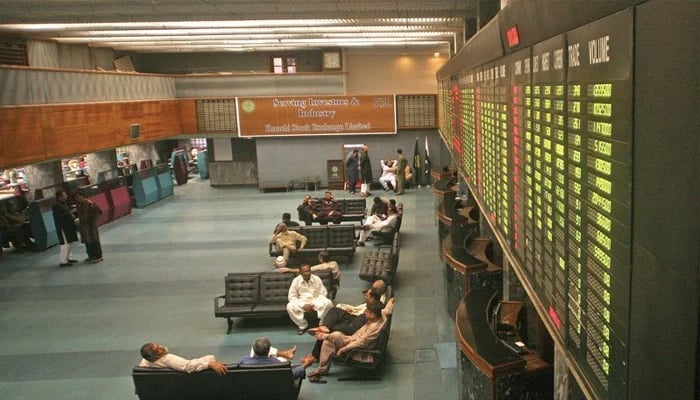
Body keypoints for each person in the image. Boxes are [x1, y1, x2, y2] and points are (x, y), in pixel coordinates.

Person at [306, 301, 390, 383]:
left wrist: (343, 349)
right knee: (327, 343)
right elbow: (388, 309)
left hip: (358, 350)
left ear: (373, 315)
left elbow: (360, 343)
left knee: (336, 335)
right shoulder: (381, 317)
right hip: (352, 339)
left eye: (367, 312)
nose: (365, 313)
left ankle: (323, 335)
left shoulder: (374, 329)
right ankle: (322, 370)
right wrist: (391, 300)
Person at [287, 264, 334, 334]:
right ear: (300, 273)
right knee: (289, 306)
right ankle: (302, 325)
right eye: (305, 272)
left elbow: (323, 293)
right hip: (302, 303)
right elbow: (292, 296)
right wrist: (303, 305)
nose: (308, 273)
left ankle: (322, 324)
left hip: (315, 301)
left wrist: (313, 304)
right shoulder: (296, 281)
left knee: (328, 303)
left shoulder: (316, 279)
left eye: (309, 271)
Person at [238, 337, 314, 380]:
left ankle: (287, 354)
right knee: (284, 360)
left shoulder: (243, 361)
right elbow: (291, 374)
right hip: (272, 391)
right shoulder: (277, 364)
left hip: (250, 391)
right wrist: (305, 365)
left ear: (253, 350)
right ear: (268, 351)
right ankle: (286, 354)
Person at [139, 342, 228, 375]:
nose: (161, 347)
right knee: (210, 358)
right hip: (183, 383)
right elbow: (188, 367)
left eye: (158, 345)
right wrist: (209, 364)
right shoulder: (168, 359)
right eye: (157, 349)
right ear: (155, 356)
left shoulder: (143, 363)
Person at [74, 192, 103, 263]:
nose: (77, 199)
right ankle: (91, 255)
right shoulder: (79, 205)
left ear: (82, 196)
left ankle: (98, 256)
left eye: (78, 197)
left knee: (94, 240)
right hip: (84, 227)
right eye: (76, 198)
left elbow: (99, 212)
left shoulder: (90, 203)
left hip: (91, 226)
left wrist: (94, 222)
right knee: (87, 241)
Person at [52, 190, 79, 267]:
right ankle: (63, 260)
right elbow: (59, 216)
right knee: (65, 243)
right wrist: (70, 213)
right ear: (60, 196)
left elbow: (66, 213)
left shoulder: (64, 204)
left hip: (68, 225)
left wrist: (71, 216)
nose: (66, 196)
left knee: (69, 242)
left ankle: (68, 257)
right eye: (64, 195)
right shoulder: (56, 206)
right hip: (62, 227)